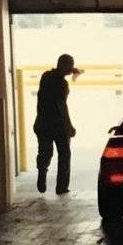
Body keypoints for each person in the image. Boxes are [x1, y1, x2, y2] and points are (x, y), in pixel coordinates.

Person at [33, 53, 78, 195]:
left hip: (42, 122)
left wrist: (73, 73)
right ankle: (61, 187)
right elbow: (61, 105)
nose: (71, 68)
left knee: (45, 152)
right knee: (64, 154)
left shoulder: (46, 76)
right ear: (62, 64)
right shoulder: (62, 83)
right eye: (70, 65)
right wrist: (69, 126)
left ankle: (42, 172)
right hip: (58, 124)